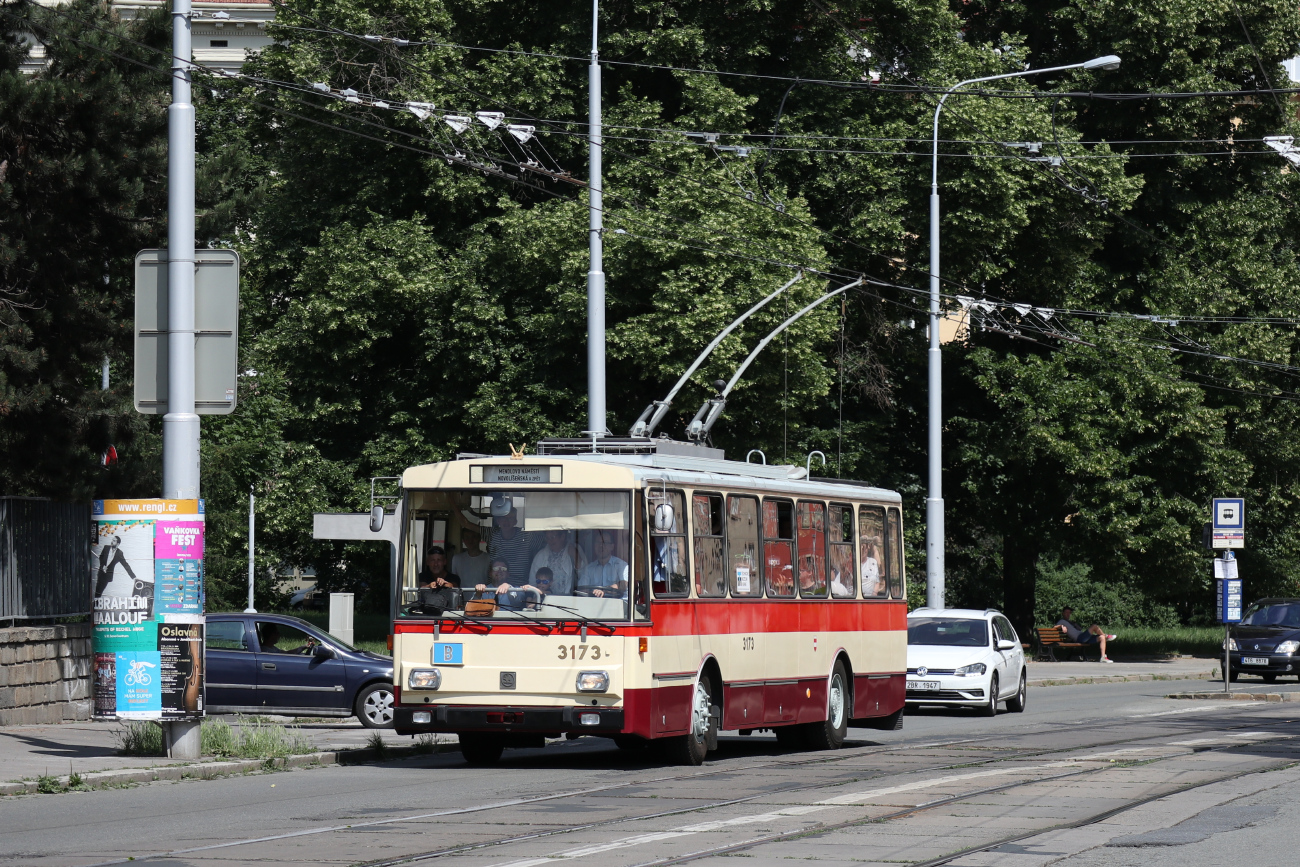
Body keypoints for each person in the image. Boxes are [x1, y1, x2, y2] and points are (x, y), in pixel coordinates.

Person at [487, 507, 540, 584]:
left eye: (510, 518)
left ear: (515, 521)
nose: (506, 521)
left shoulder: (526, 536)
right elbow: (467, 524)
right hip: (494, 589)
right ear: (498, 520)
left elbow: (548, 538)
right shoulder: (492, 534)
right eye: (503, 518)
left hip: (520, 590)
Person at [529, 529, 581, 595]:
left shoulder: (575, 549)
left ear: (562, 536)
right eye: (547, 538)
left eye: (552, 537)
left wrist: (576, 556)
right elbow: (533, 581)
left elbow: (583, 574)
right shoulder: (541, 555)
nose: (549, 541)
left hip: (568, 599)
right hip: (545, 599)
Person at [577, 530, 628, 598]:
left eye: (605, 542)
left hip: (616, 605)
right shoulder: (589, 569)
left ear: (612, 546)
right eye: (598, 542)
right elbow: (582, 589)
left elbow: (624, 584)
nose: (601, 545)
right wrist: (594, 592)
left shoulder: (621, 565)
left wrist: (604, 591)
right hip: (593, 605)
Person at [417, 547, 461, 614]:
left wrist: (444, 584)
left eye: (439, 560)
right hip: (425, 613)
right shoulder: (422, 576)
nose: (436, 564)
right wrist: (429, 586)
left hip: (449, 614)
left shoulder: (454, 577)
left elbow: (454, 586)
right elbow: (421, 587)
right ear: (427, 562)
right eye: (432, 560)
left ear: (444, 562)